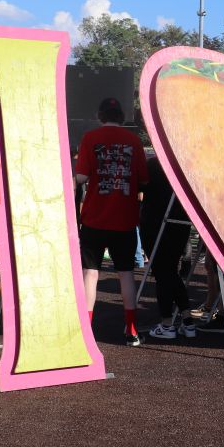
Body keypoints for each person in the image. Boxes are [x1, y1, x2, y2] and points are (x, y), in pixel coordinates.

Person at [75, 97, 149, 345]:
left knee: (91, 273)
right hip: (125, 220)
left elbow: (82, 177)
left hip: (95, 217)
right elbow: (144, 180)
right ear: (122, 116)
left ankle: (86, 332)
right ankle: (131, 330)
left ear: (100, 115)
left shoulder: (90, 138)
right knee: (126, 274)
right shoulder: (134, 141)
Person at [140, 155, 196, 340]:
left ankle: (166, 324)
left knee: (163, 273)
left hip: (156, 223)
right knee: (171, 271)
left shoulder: (154, 163)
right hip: (180, 223)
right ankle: (187, 320)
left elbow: (140, 187)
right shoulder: (184, 160)